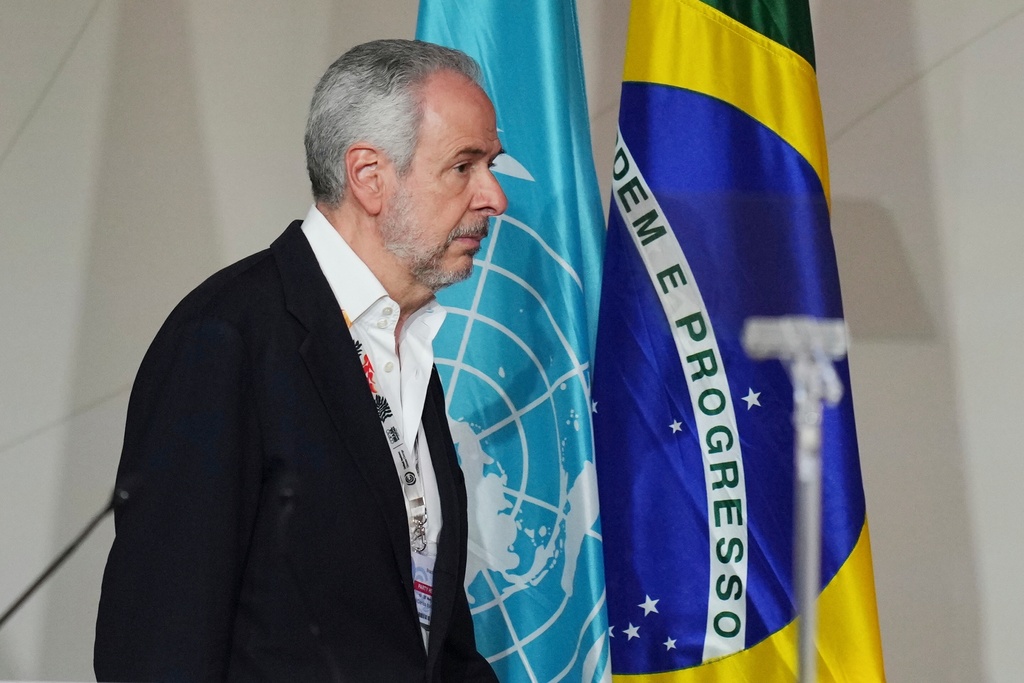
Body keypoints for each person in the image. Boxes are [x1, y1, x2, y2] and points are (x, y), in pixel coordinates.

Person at [94, 39, 507, 682]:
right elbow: (158, 643)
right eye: (465, 166)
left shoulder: (407, 346)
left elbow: (426, 640)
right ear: (369, 176)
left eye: (491, 165)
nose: (494, 197)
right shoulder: (227, 338)